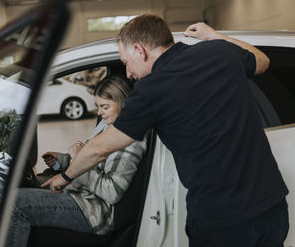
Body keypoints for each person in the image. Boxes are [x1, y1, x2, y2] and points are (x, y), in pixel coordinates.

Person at [43, 15, 289, 247]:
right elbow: (262, 61)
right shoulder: (218, 51)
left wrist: (65, 177)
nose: (128, 73)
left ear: (140, 50)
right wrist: (214, 35)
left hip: (222, 221)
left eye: (126, 62)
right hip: (272, 207)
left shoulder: (150, 90)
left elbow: (99, 149)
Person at [6, 75, 147, 246]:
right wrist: (63, 160)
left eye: (105, 107)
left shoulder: (132, 142)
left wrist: (76, 157)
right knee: (30, 184)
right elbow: (90, 161)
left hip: (94, 210)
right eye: (98, 107)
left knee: (15, 202)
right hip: (81, 193)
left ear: (123, 103)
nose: (99, 112)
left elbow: (112, 193)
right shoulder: (107, 126)